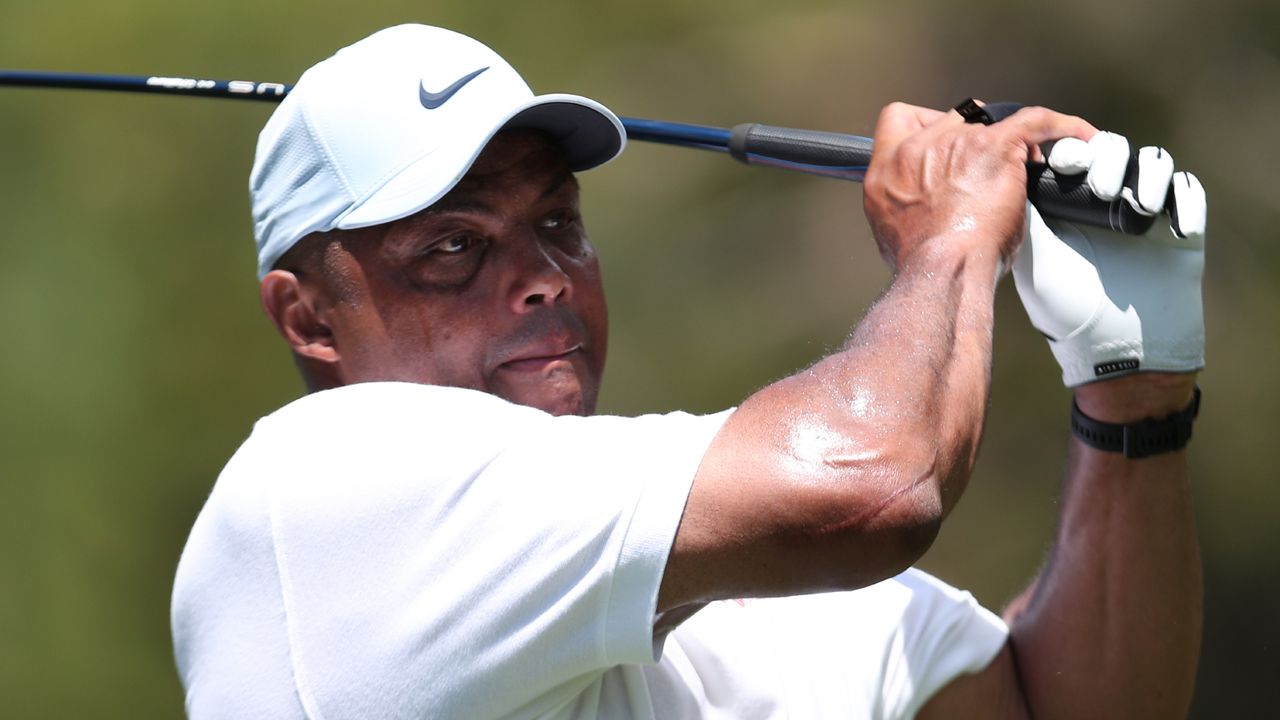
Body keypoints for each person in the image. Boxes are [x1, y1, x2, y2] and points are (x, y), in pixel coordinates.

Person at [171, 24, 1207, 719]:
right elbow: (879, 481)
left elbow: (1047, 701)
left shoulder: (686, 572)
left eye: (555, 223)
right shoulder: (319, 491)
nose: (538, 278)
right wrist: (945, 244)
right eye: (453, 248)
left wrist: (1128, 392)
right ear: (305, 318)